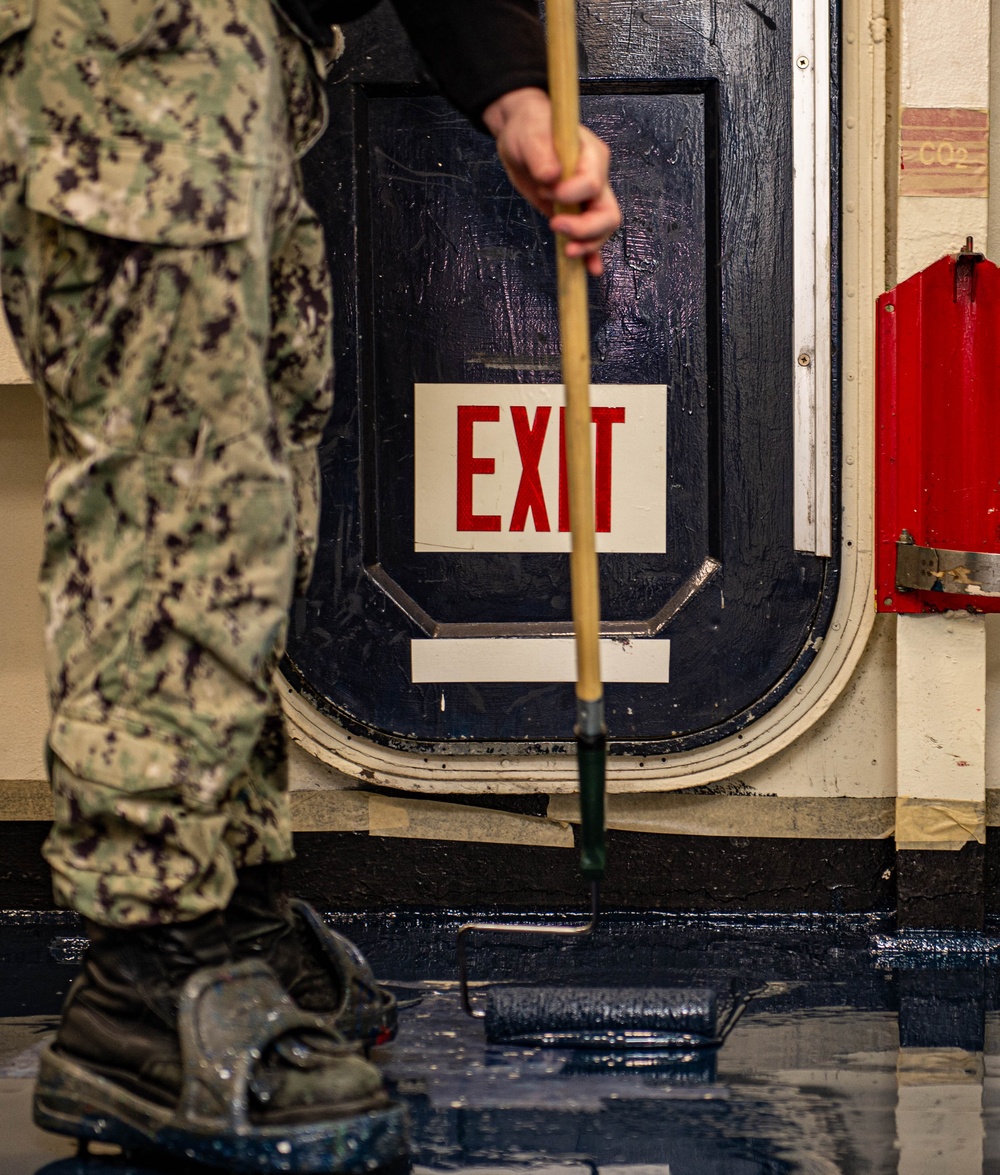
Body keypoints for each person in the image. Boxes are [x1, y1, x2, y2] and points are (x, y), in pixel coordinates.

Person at [0, 0, 620, 1170]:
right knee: (176, 485)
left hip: (255, 53)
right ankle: (149, 963)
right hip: (138, 36)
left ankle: (221, 905)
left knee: (254, 495)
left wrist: (512, 89)